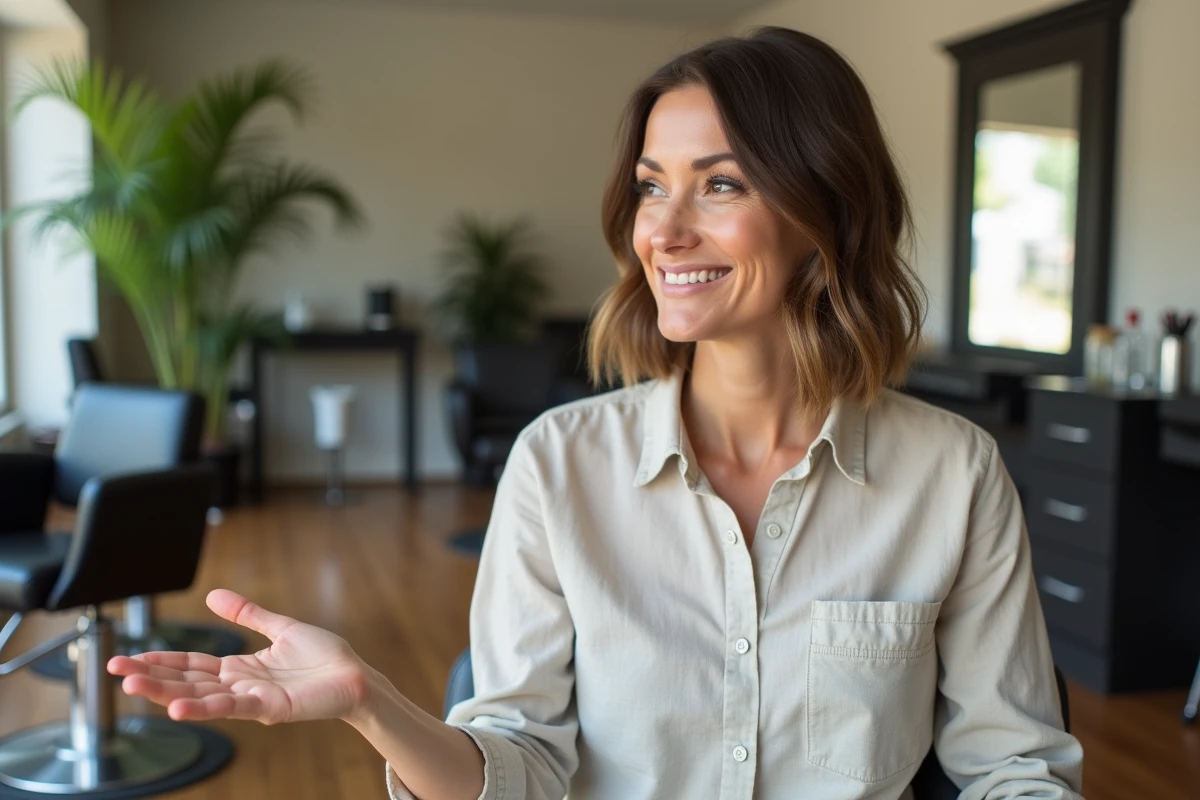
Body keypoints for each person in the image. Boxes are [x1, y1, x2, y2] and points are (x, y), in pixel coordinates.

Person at [108, 27, 1084, 800]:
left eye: (721, 183)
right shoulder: (558, 464)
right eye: (652, 185)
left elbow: (1014, 769)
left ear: (824, 209)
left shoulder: (953, 473)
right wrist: (371, 702)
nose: (662, 228)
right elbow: (515, 765)